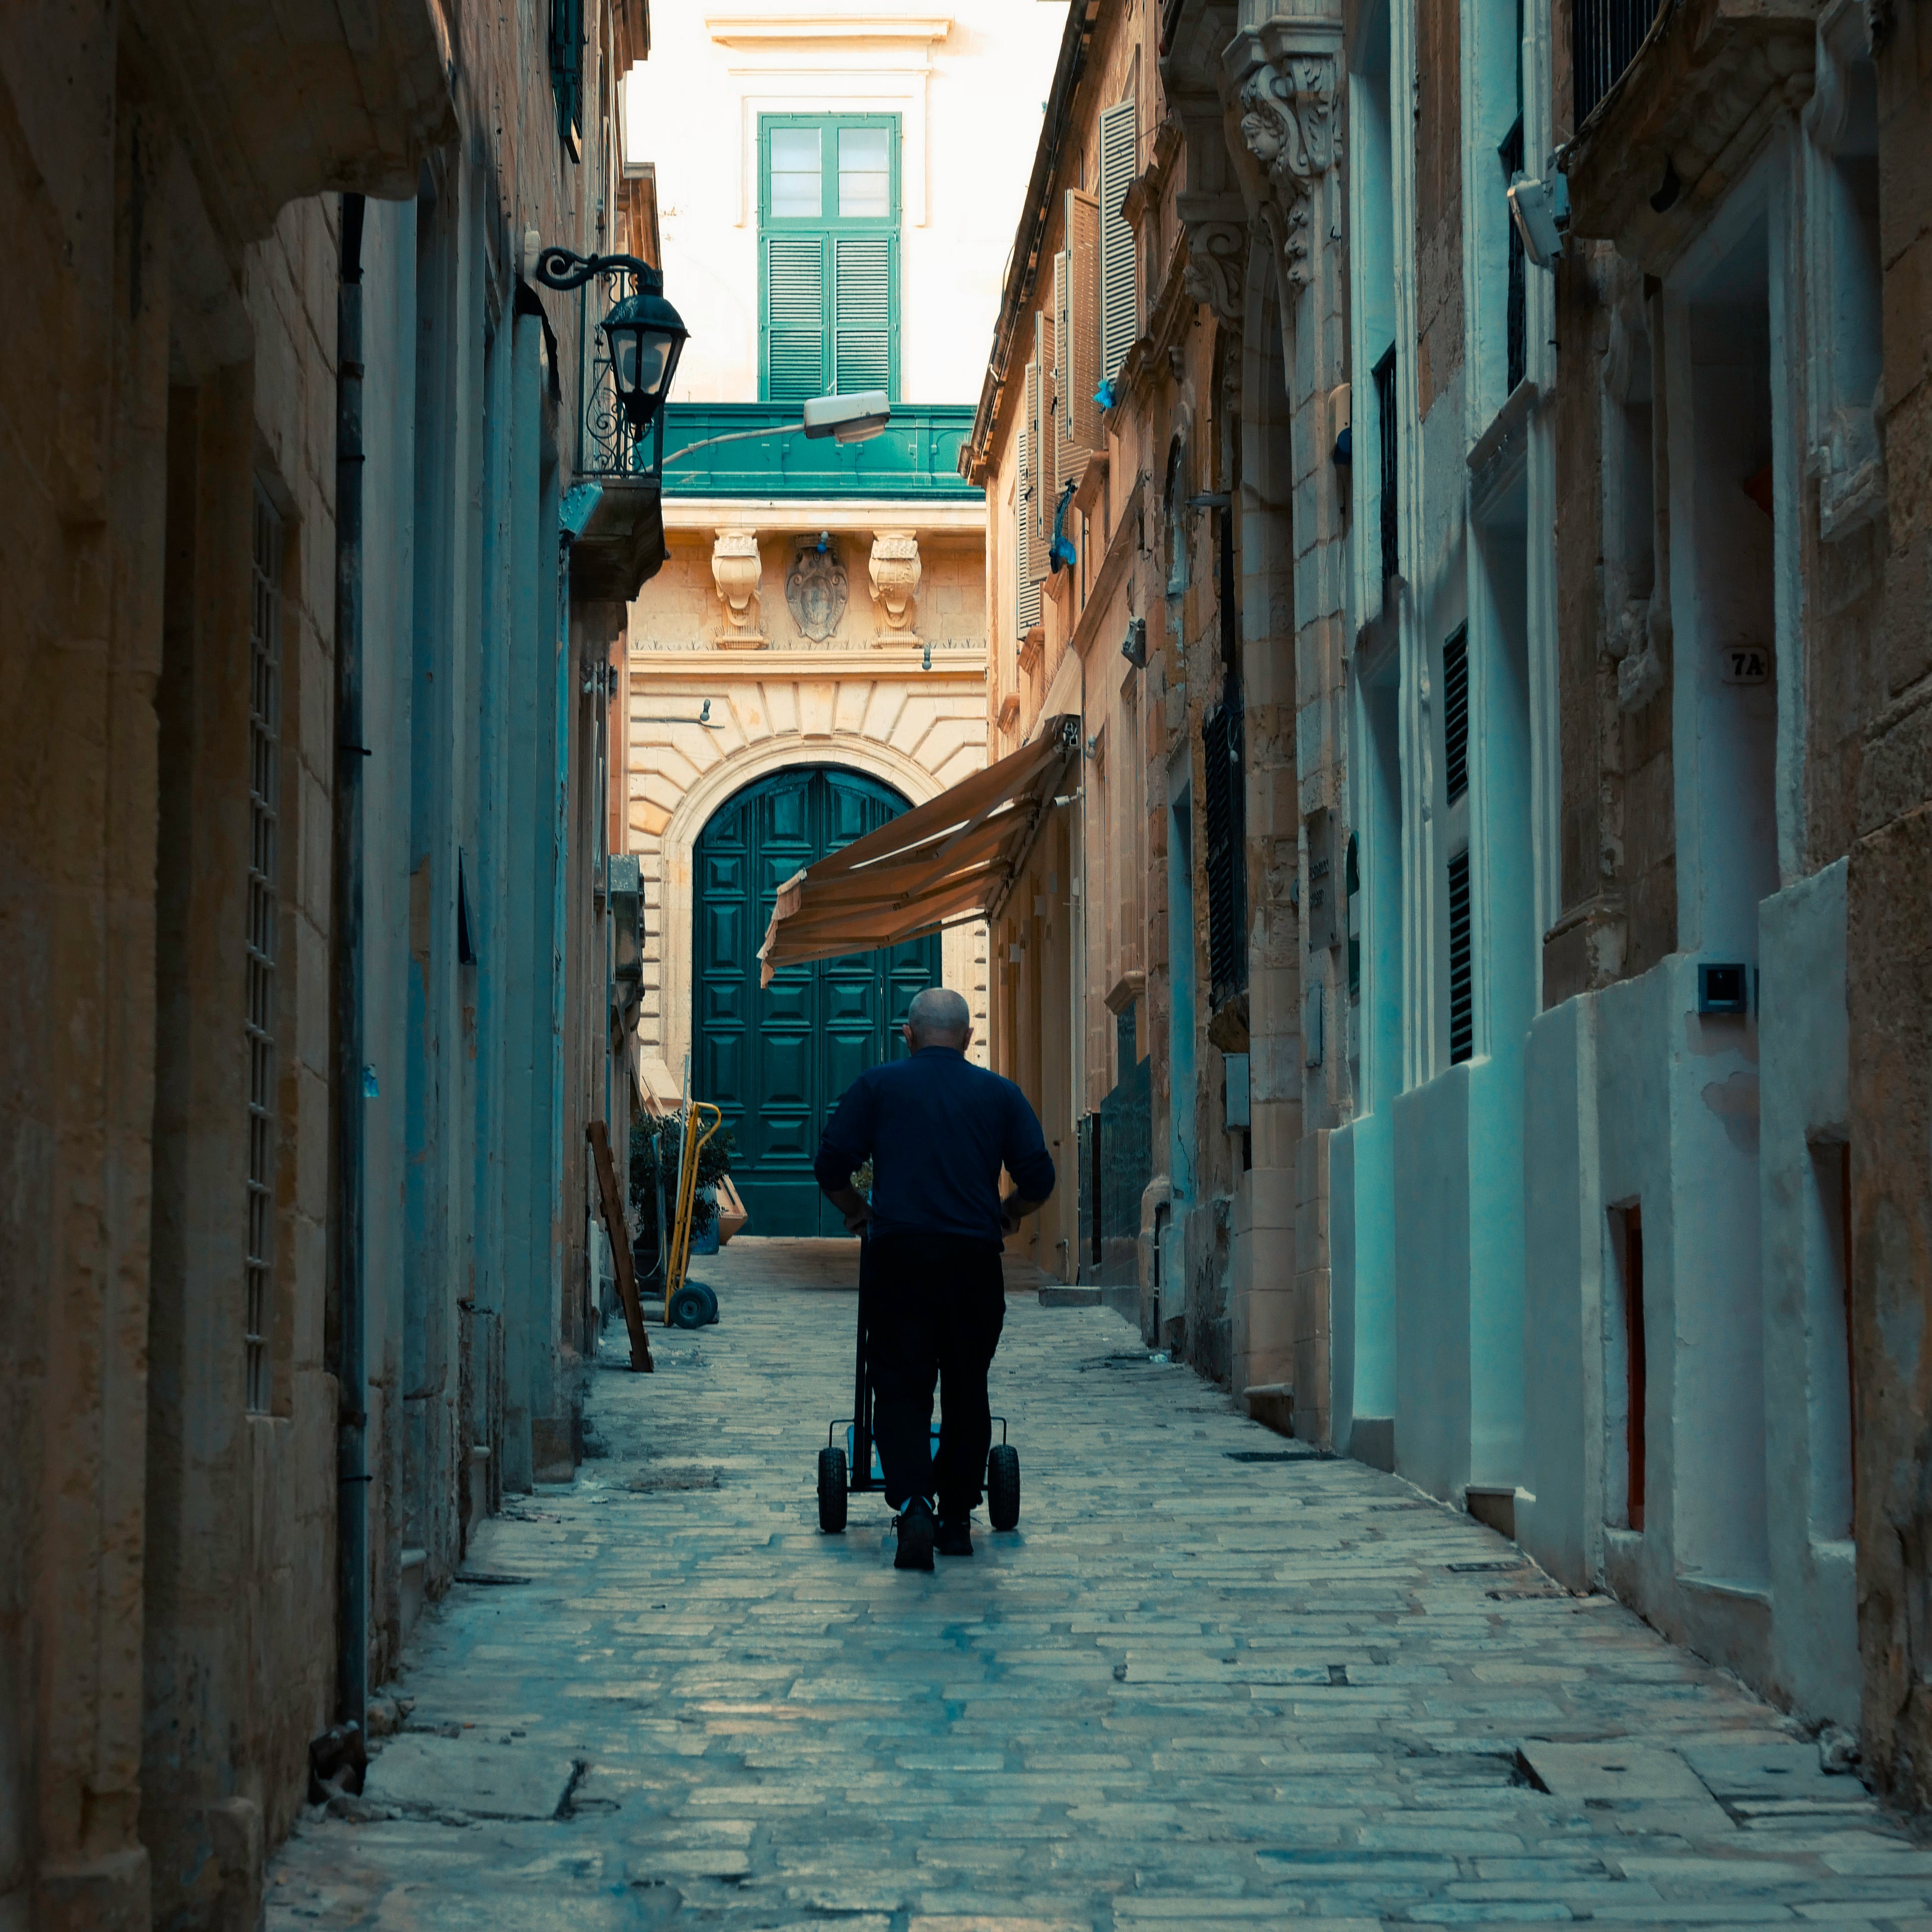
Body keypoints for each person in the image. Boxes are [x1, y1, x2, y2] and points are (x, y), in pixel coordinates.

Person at [814, 985, 1055, 1570]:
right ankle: (955, 1520)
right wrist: (1009, 1212)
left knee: (899, 1384)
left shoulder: (878, 1087)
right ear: (969, 1038)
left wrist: (857, 1208)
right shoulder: (1000, 1095)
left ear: (909, 1035)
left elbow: (829, 1165)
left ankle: (914, 1503)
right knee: (967, 1386)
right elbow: (1039, 1178)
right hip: (973, 1260)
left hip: (900, 1256)